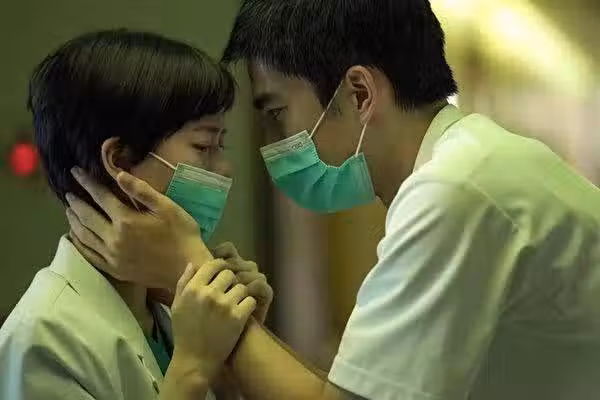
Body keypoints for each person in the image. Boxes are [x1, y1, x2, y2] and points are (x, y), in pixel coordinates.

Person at [66, 1, 600, 399]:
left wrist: (191, 268)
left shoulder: (453, 192)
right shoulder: (474, 164)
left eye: (278, 114)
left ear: (359, 94)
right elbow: (358, 387)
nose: (273, 146)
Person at [0, 29, 269, 400]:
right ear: (120, 161)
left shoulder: (170, 313)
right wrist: (192, 367)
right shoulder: (43, 337)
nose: (224, 168)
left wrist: (232, 369)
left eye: (221, 145)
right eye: (204, 145)